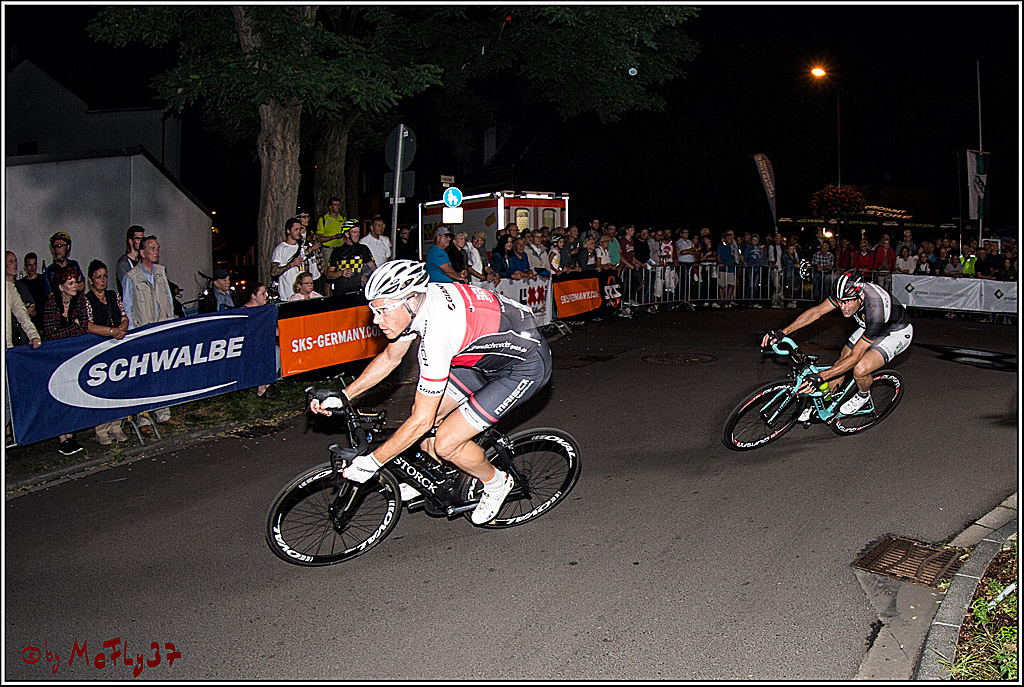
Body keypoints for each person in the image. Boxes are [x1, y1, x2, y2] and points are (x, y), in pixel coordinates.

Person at [309, 260, 551, 525]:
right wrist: (345, 395)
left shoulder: (437, 335)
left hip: (523, 367)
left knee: (445, 442)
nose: (377, 321)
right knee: (426, 418)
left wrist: (372, 463)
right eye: (374, 311)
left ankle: (496, 482)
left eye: (383, 311)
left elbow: (420, 422)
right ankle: (432, 477)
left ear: (410, 300)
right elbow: (391, 357)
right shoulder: (418, 302)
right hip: (479, 359)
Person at [763, 270, 913, 424]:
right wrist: (783, 332)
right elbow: (817, 311)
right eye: (840, 302)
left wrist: (821, 377)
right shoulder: (846, 292)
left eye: (847, 302)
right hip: (867, 325)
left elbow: (856, 357)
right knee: (842, 361)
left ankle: (863, 395)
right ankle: (827, 404)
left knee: (860, 369)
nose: (843, 307)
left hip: (895, 333)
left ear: (860, 296)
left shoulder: (875, 309)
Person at [122, 235, 177, 428]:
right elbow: (128, 306)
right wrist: (132, 333)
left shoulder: (161, 272)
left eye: (157, 248)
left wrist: (170, 323)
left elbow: (168, 300)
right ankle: (143, 418)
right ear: (142, 252)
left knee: (163, 372)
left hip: (162, 329)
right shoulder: (131, 277)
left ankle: (163, 413)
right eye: (152, 248)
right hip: (144, 331)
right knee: (145, 375)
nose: (156, 251)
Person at [43, 265, 91, 455]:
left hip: (73, 355)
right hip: (54, 358)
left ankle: (70, 435)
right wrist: (73, 327)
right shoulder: (51, 304)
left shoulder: (79, 302)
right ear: (61, 287)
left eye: (76, 282)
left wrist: (72, 329)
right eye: (70, 283)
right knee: (58, 394)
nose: (75, 286)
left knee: (72, 393)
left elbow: (84, 327)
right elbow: (50, 334)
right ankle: (62, 437)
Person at [83, 260, 131, 445]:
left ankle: (116, 426)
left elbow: (124, 315)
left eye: (104, 276)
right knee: (102, 389)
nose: (102, 280)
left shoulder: (113, 296)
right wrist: (111, 332)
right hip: (99, 347)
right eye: (98, 277)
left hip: (116, 345)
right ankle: (101, 429)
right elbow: (89, 325)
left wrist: (121, 329)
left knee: (118, 386)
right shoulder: (87, 300)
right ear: (91, 280)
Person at [272, 217, 321, 301]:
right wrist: (291, 265)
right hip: (287, 294)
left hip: (301, 295)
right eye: (296, 229)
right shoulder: (280, 248)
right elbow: (273, 271)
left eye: (300, 229)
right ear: (288, 231)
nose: (299, 232)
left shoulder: (300, 247)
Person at [325, 222, 375, 297]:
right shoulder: (337, 251)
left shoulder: (363, 249)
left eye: (358, 232)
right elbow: (328, 275)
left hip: (359, 292)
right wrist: (341, 273)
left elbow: (374, 268)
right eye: (355, 232)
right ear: (347, 234)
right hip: (341, 293)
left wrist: (367, 277)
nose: (357, 235)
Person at [18, 252, 49, 332]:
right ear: (25, 267)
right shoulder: (21, 284)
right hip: (29, 324)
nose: (32, 268)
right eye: (29, 265)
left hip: (44, 321)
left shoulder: (43, 280)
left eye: (34, 264)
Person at [315, 197, 348, 269]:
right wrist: (334, 237)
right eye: (335, 205)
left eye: (339, 205)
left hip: (340, 249)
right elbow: (319, 238)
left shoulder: (342, 218)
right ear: (330, 207)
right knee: (328, 270)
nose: (338, 207)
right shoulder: (323, 219)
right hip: (328, 250)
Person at [116, 225, 146, 296]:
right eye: (138, 239)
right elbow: (128, 286)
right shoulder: (123, 263)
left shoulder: (143, 261)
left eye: (143, 239)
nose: (142, 242)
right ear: (131, 241)